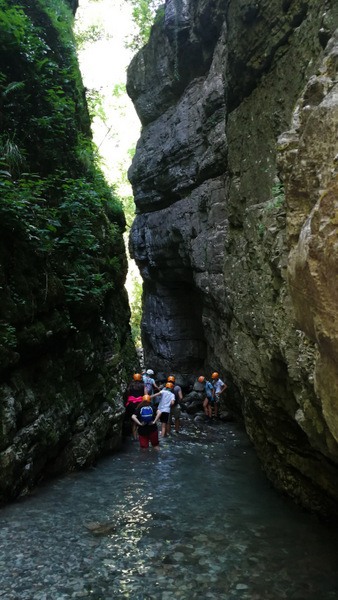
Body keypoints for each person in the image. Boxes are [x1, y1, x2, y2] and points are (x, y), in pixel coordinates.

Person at [125, 373, 146, 440]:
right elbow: (146, 395)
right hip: (140, 404)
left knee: (134, 421)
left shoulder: (131, 385)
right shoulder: (143, 386)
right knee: (141, 419)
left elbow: (128, 393)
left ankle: (135, 437)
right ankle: (142, 436)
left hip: (131, 404)